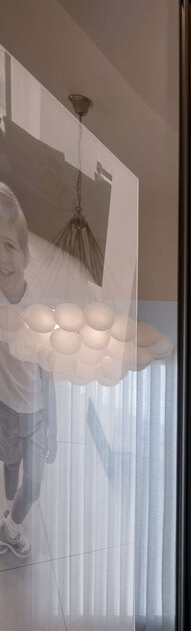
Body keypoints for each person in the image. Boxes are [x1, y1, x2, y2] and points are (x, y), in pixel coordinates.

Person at [0, 183, 57, 561]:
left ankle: (12, 524)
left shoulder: (39, 309)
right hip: (5, 408)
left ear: (25, 256)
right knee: (10, 465)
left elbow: (49, 372)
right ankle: (8, 518)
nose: (1, 256)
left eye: (9, 245)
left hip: (36, 413)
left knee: (33, 484)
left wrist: (54, 424)